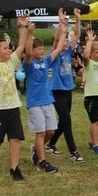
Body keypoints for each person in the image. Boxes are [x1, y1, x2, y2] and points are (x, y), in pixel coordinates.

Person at [0, 13, 29, 182]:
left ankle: (14, 169)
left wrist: (23, 27)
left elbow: (22, 46)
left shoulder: (11, 62)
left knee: (15, 138)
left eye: (9, 47)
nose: (9, 49)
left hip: (12, 106)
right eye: (5, 48)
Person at [24, 21, 66, 174]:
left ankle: (36, 148)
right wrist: (29, 34)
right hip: (35, 102)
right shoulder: (28, 64)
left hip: (48, 100)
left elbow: (59, 48)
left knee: (50, 131)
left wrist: (63, 31)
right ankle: (41, 161)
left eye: (42, 48)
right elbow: (27, 53)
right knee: (41, 133)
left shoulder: (45, 62)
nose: (41, 50)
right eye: (38, 48)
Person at [46, 9, 84, 163]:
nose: (67, 43)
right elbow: (57, 40)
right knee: (67, 121)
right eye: (65, 41)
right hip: (57, 91)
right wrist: (61, 22)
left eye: (68, 42)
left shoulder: (68, 53)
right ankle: (73, 152)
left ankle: (51, 144)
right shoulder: (54, 54)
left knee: (63, 120)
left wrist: (78, 19)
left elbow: (76, 36)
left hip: (68, 90)